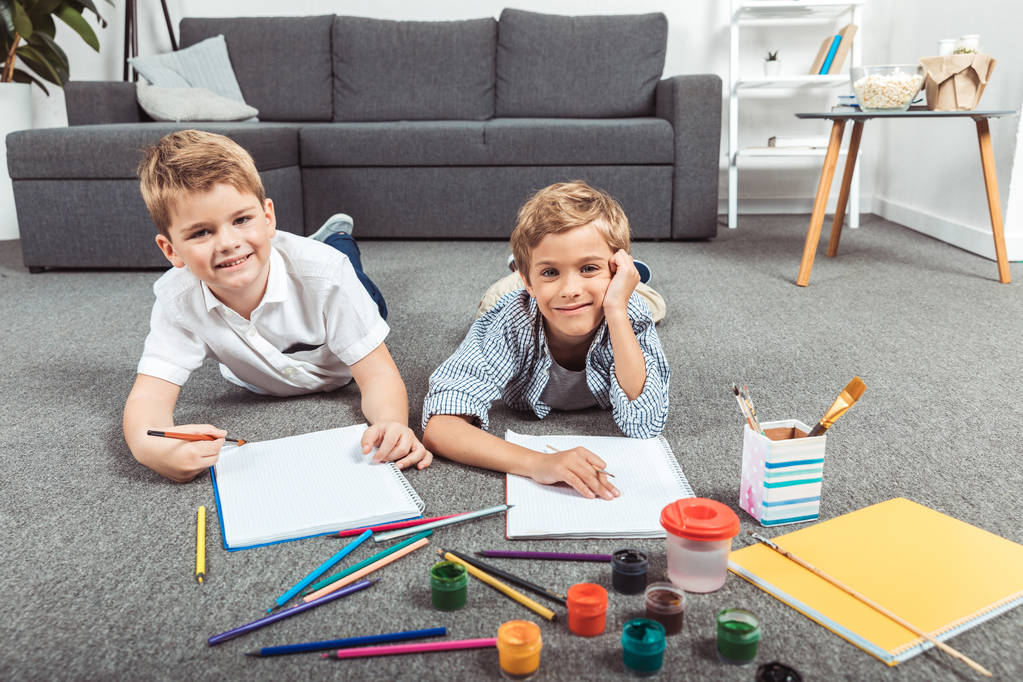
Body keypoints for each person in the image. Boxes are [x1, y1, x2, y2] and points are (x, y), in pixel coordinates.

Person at [123, 130, 431, 482]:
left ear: (268, 217)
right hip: (289, 291)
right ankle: (319, 241)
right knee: (307, 262)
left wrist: (391, 423)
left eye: (241, 220)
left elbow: (378, 374)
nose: (228, 243)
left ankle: (340, 239)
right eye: (201, 233)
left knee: (352, 273)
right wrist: (151, 449)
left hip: (336, 288)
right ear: (170, 250)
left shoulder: (327, 275)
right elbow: (148, 398)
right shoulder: (176, 299)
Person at [422, 181, 670, 500]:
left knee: (654, 304)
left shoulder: (628, 310)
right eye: (551, 272)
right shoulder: (511, 318)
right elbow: (441, 427)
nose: (570, 288)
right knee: (492, 299)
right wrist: (537, 463)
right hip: (517, 298)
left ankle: (634, 276)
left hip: (608, 295)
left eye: (589, 267)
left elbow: (645, 424)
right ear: (529, 280)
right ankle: (521, 268)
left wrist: (616, 309)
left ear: (615, 269)